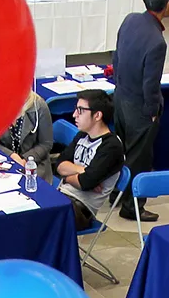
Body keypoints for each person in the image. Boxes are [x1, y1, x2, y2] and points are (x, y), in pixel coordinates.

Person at [113, 0, 169, 222]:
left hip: (120, 97)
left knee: (122, 150)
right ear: (168, 5)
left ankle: (116, 193)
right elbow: (151, 83)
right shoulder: (157, 42)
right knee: (140, 157)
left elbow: (116, 57)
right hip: (139, 107)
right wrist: (152, 111)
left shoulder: (130, 21)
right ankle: (132, 205)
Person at [54, 89, 126, 231]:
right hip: (62, 197)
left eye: (81, 110)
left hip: (80, 209)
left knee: (36, 218)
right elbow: (58, 165)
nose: (74, 115)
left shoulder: (111, 146)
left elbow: (85, 183)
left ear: (97, 115)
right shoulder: (83, 135)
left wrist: (67, 177)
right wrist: (82, 170)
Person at [1, 93, 53, 166]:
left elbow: (46, 144)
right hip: (2, 160)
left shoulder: (39, 105)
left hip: (34, 164)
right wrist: (11, 155)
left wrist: (25, 159)